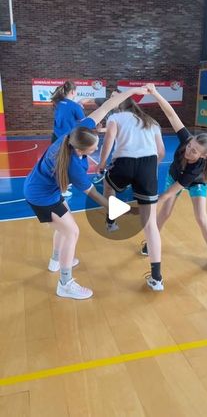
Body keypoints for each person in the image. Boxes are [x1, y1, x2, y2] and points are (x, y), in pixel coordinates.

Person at [24, 85, 148, 300]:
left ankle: (57, 259)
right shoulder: (73, 166)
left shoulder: (77, 133)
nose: (96, 149)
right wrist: (122, 210)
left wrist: (132, 92)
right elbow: (97, 197)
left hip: (44, 190)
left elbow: (108, 106)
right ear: (81, 151)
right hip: (41, 196)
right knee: (71, 231)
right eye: (93, 150)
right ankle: (65, 283)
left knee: (64, 227)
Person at [141, 83, 207, 273]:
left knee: (201, 217)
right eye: (189, 146)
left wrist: (154, 200)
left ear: (203, 156)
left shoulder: (198, 168)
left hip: (193, 184)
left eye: (194, 151)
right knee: (165, 213)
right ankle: (152, 241)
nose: (188, 150)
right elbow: (171, 114)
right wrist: (155, 93)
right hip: (174, 174)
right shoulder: (186, 140)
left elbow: (171, 191)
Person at [96, 96, 165, 291]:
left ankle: (111, 221)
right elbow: (161, 152)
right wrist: (150, 170)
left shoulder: (115, 118)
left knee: (108, 188)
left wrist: (102, 164)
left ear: (118, 105)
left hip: (124, 162)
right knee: (150, 223)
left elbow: (108, 141)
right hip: (148, 165)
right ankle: (157, 277)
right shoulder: (152, 121)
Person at [50, 81, 86, 197]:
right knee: (66, 162)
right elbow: (83, 124)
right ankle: (62, 187)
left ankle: (63, 183)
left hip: (56, 137)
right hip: (67, 138)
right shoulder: (75, 106)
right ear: (73, 91)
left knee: (59, 161)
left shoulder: (58, 103)